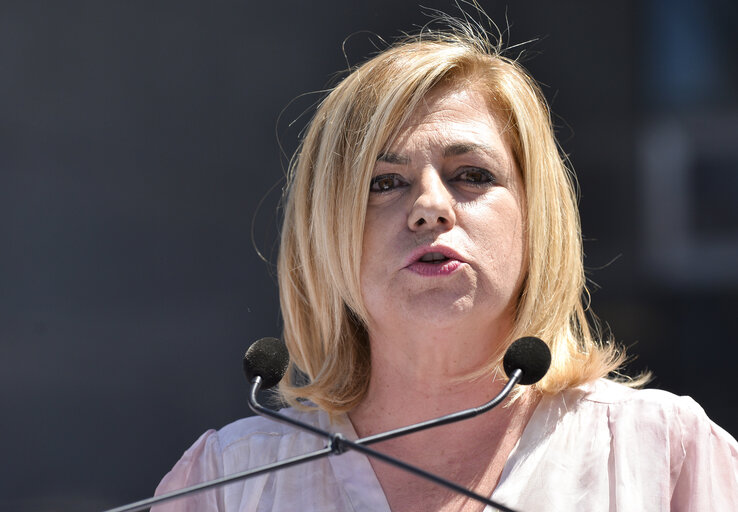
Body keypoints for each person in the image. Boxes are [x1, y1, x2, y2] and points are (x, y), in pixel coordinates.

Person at [153, 17, 738, 512]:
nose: (430, 207)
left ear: (537, 220)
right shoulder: (229, 483)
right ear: (324, 232)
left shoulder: (662, 453)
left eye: (472, 176)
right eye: (384, 183)